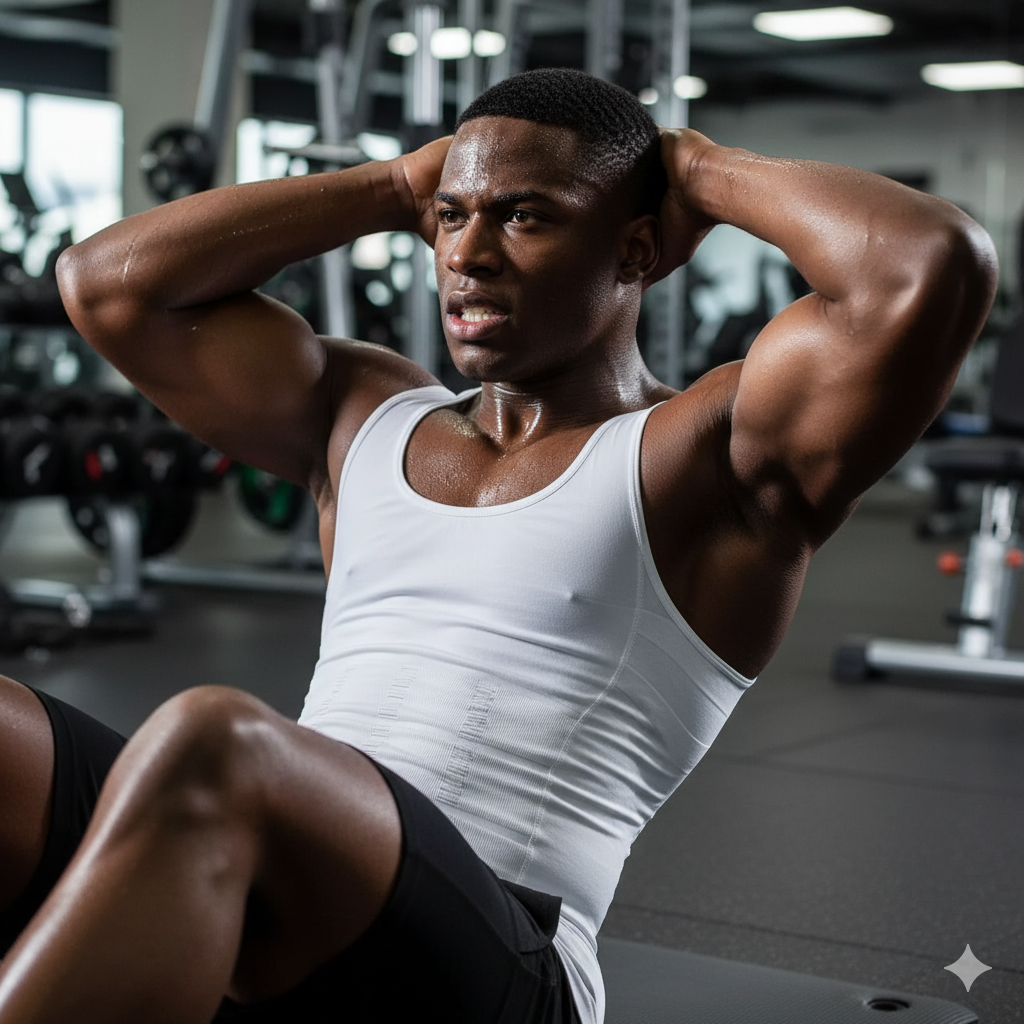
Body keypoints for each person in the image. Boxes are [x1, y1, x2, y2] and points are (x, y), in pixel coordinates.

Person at [0, 67, 996, 1024]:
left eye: (525, 216)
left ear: (639, 251)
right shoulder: (361, 416)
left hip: (502, 960)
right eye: (451, 218)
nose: (467, 254)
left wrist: (690, 166)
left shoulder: (707, 457)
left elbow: (925, 264)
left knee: (216, 741)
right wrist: (395, 183)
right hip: (287, 880)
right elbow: (109, 283)